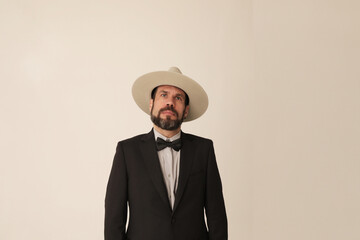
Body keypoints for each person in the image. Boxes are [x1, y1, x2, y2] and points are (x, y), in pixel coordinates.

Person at [105, 67, 227, 240]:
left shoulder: (204, 150)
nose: (170, 102)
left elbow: (217, 218)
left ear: (186, 110)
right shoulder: (127, 151)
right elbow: (113, 219)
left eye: (178, 98)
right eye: (164, 95)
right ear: (151, 104)